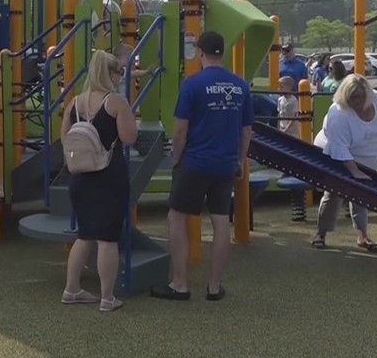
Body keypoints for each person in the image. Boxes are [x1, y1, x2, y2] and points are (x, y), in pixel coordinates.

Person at [151, 32, 253, 302]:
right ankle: (214, 286)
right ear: (223, 53)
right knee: (220, 222)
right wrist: (240, 161)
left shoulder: (192, 84)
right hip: (225, 163)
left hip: (195, 161)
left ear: (200, 52)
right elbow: (246, 131)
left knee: (177, 217)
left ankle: (180, 283)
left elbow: (181, 129)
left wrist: (176, 157)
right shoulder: (240, 86)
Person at [60, 50, 138, 313]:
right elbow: (128, 137)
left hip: (81, 177)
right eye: (119, 72)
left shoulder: (74, 104)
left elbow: (65, 139)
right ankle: (107, 297)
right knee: (107, 239)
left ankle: (71, 288)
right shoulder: (115, 102)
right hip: (109, 175)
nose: (120, 76)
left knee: (84, 236)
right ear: (111, 73)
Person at [311, 75, 377, 252]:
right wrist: (353, 170)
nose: (355, 101)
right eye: (351, 98)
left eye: (359, 97)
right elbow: (339, 147)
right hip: (336, 153)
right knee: (334, 193)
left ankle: (363, 235)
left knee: (361, 195)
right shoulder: (339, 113)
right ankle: (321, 233)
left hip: (368, 154)